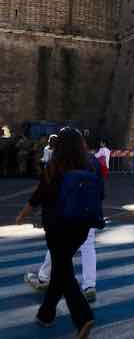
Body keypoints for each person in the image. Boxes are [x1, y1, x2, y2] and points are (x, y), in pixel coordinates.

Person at [15, 127, 101, 339]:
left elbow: (38, 197)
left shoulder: (55, 167)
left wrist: (21, 216)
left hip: (57, 228)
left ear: (59, 146)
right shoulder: (91, 166)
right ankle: (46, 315)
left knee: (64, 273)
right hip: (81, 227)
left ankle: (83, 317)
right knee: (61, 267)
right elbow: (100, 194)